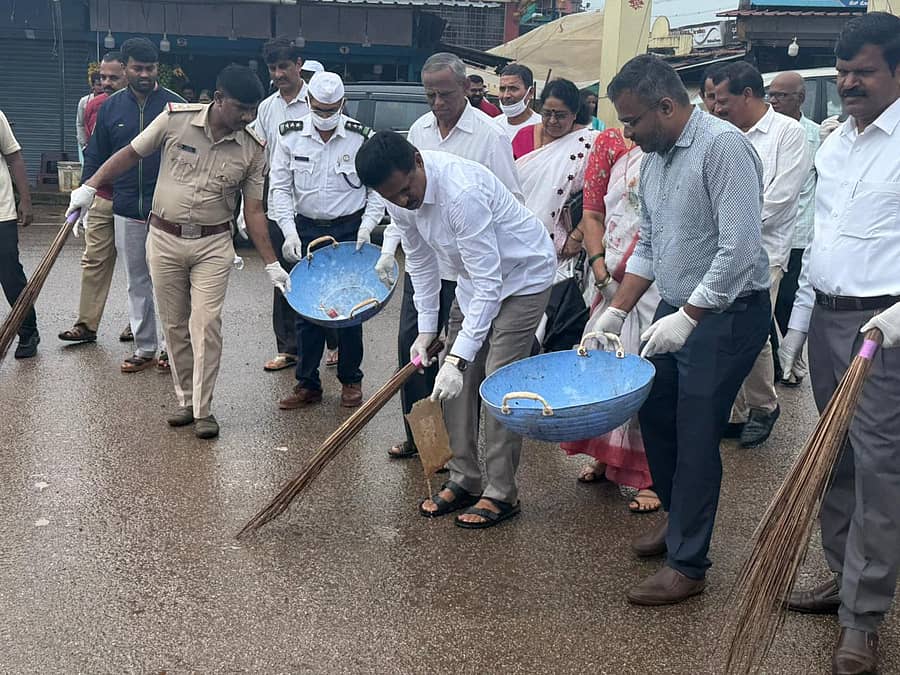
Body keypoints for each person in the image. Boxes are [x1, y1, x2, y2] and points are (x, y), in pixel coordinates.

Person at [594, 54, 770, 605]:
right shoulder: (653, 160)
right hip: (676, 310)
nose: (628, 133)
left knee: (696, 430)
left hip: (727, 314)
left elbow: (738, 247)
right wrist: (617, 311)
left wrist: (691, 316)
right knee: (655, 411)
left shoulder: (723, 148)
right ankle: (678, 519)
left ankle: (688, 563)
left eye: (633, 121)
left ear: (666, 107)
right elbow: (649, 244)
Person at [65, 65, 289, 439]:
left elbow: (253, 210)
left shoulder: (252, 149)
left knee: (206, 325)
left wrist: (272, 265)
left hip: (214, 244)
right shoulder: (174, 121)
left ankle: (204, 410)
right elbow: (130, 154)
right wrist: (90, 187)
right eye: (241, 108)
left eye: (253, 109)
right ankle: (185, 400)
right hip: (164, 239)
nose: (248, 116)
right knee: (175, 326)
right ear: (218, 99)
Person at [779, 14, 900, 675]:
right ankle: (839, 574)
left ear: (898, 72)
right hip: (827, 319)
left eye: (866, 71)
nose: (851, 82)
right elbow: (820, 245)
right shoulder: (835, 144)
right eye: (845, 70)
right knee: (835, 459)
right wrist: (797, 327)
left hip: (885, 330)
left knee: (881, 472)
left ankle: (863, 617)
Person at [357, 132, 555, 528]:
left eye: (406, 190)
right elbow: (420, 261)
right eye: (392, 196)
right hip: (472, 280)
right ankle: (465, 477)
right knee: (453, 385)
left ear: (417, 161)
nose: (403, 201)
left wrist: (459, 357)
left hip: (524, 275)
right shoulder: (393, 195)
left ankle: (502, 492)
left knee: (497, 377)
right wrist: (427, 330)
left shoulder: (460, 191)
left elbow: (490, 283)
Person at [374, 52, 522, 462]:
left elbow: (513, 199)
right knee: (415, 346)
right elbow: (401, 201)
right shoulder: (419, 130)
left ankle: (462, 448)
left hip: (476, 265)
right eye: (429, 94)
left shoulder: (490, 135)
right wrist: (391, 248)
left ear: (466, 88)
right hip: (431, 259)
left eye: (444, 93)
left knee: (466, 357)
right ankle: (423, 439)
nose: (437, 102)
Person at [559, 130, 662, 513]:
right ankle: (606, 454)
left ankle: (650, 472)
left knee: (644, 368)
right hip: (609, 275)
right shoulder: (610, 144)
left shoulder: (666, 149)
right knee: (602, 365)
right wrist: (602, 270)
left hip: (652, 280)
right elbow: (593, 212)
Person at [67, 38, 184, 374]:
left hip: (166, 210)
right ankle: (145, 347)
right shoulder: (110, 107)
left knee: (169, 281)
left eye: (150, 68)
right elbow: (95, 154)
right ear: (126, 68)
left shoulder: (176, 107)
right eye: (138, 68)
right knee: (136, 280)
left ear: (157, 69)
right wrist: (85, 193)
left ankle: (169, 349)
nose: (144, 74)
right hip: (126, 207)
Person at [271, 72, 385, 410]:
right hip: (306, 229)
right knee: (305, 311)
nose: (326, 115)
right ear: (308, 103)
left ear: (343, 104)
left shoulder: (359, 137)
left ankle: (351, 380)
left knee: (349, 311)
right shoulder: (290, 137)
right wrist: (288, 230)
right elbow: (280, 186)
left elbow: (375, 190)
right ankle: (307, 384)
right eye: (320, 109)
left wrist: (367, 226)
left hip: (348, 230)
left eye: (332, 109)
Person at [712, 62, 810, 448]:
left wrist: (730, 224)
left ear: (748, 95)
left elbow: (782, 198)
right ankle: (736, 412)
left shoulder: (788, 133)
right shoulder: (722, 134)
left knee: (752, 331)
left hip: (764, 253)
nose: (717, 109)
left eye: (724, 101)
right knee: (726, 332)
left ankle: (764, 406)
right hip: (721, 252)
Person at [512, 78, 597, 349]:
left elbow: (598, 199)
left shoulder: (588, 144)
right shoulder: (524, 137)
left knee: (552, 327)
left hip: (563, 252)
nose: (551, 121)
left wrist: (577, 235)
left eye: (560, 115)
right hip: (519, 246)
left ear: (574, 114)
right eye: (546, 113)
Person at [247, 37, 311, 373]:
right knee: (283, 275)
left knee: (317, 272)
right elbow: (257, 149)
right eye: (273, 68)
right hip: (278, 199)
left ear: (299, 63)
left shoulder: (316, 102)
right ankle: (288, 349)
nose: (278, 74)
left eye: (284, 66)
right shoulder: (268, 107)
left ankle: (332, 343)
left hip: (313, 201)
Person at [59, 52, 131, 347]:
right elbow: (92, 151)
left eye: (113, 77)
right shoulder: (94, 107)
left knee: (140, 267)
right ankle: (86, 324)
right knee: (94, 261)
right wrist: (84, 191)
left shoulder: (146, 108)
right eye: (103, 77)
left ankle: (139, 325)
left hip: (134, 199)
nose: (106, 83)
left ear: (128, 74)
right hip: (102, 195)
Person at [767, 71, 821, 386]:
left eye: (781, 96)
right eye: (770, 95)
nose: (773, 101)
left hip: (800, 233)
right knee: (767, 306)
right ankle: (776, 361)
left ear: (800, 98)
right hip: (771, 234)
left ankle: (792, 361)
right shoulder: (766, 132)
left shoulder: (816, 136)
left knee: (789, 302)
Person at [0, 109, 38, 359]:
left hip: (1, 211)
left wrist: (25, 200)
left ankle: (27, 330)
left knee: (10, 274)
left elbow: (14, 157)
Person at [494, 63, 541, 140]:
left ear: (530, 92)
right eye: (502, 89)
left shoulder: (542, 128)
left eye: (513, 89)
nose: (506, 95)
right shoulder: (493, 125)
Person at [77, 73, 103, 164]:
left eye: (103, 84)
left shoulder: (110, 100)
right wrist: (84, 145)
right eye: (99, 85)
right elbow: (80, 124)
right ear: (92, 86)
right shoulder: (84, 102)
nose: (102, 88)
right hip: (88, 144)